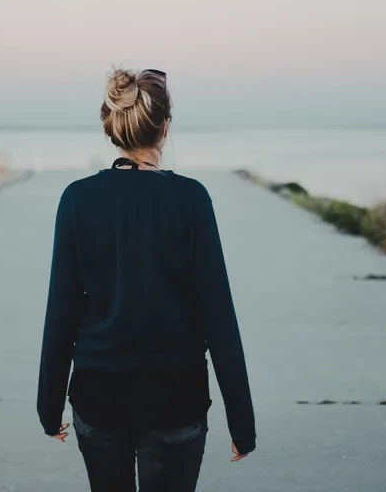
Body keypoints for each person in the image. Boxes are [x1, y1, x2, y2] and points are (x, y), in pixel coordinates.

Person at [37, 67, 256, 492]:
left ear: (113, 129)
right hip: (175, 398)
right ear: (165, 128)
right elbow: (218, 315)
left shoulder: (77, 199)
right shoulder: (191, 199)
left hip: (99, 396)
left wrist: (49, 408)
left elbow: (61, 311)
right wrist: (241, 423)